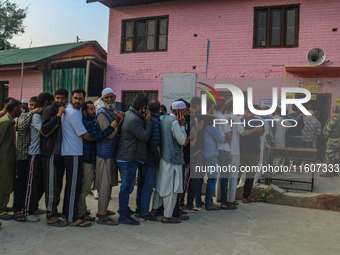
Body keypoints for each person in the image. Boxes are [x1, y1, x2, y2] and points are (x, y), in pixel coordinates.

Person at [116, 93, 152, 225]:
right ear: (143, 107)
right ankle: (123, 215)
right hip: (128, 158)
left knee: (127, 187)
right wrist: (148, 122)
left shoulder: (130, 115)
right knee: (127, 188)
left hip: (127, 157)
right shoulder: (134, 119)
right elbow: (144, 136)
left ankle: (124, 209)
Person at [79, 100, 117, 222]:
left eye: (93, 108)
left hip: (92, 158)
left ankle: (85, 211)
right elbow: (100, 136)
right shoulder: (88, 123)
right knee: (85, 188)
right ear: (84, 112)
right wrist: (112, 126)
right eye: (91, 109)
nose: (94, 111)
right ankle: (81, 213)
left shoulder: (92, 121)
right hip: (87, 159)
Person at [61, 88, 94, 227]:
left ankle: (66, 213)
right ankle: (72, 219)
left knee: (71, 186)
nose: (77, 101)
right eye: (75, 98)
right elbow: (85, 135)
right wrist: (100, 138)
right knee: (74, 187)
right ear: (71, 98)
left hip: (73, 153)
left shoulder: (75, 110)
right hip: (72, 153)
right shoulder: (72, 113)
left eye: (80, 99)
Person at [152, 100, 187, 223]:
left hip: (164, 159)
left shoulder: (164, 119)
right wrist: (182, 126)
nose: (185, 114)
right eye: (184, 111)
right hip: (172, 161)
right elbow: (182, 141)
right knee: (171, 190)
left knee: (161, 187)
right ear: (178, 111)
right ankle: (167, 216)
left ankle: (154, 210)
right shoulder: (175, 122)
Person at [95, 88, 123, 225]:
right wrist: (117, 123)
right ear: (102, 99)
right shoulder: (101, 114)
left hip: (110, 153)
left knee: (109, 185)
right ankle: (101, 215)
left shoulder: (110, 112)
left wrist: (118, 121)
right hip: (104, 154)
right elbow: (111, 134)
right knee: (104, 185)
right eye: (106, 97)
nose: (110, 99)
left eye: (112, 96)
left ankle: (104, 209)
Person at [24, 93, 54, 222]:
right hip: (34, 154)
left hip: (41, 154)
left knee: (40, 184)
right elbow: (44, 131)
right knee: (32, 184)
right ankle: (27, 211)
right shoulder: (36, 116)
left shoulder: (40, 115)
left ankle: (34, 207)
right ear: (47, 103)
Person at [41, 88, 68, 227]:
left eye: (62, 98)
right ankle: (51, 216)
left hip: (60, 154)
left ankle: (54, 211)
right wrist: (58, 115)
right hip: (50, 153)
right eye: (57, 98)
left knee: (58, 185)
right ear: (54, 98)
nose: (59, 100)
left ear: (66, 99)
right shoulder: (50, 110)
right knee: (51, 186)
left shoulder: (66, 111)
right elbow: (44, 130)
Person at [195, 99, 225, 210]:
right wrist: (226, 137)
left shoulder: (199, 118)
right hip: (211, 153)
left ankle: (198, 201)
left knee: (200, 178)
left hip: (201, 152)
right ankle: (208, 203)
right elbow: (219, 138)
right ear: (210, 107)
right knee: (212, 178)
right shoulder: (210, 121)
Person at [12, 96, 38, 222]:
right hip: (22, 155)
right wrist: (32, 112)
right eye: (31, 105)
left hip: (30, 154)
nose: (32, 107)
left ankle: (25, 206)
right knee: (21, 183)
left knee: (29, 184)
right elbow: (20, 126)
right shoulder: (25, 115)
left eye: (34, 105)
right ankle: (17, 209)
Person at [136, 100, 161, 222]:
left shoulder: (145, 119)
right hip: (150, 160)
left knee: (141, 185)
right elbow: (155, 143)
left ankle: (139, 208)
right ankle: (144, 212)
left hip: (142, 157)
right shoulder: (155, 122)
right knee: (147, 187)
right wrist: (159, 158)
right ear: (159, 109)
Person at [0, 99, 22, 220]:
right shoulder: (5, 122)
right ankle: (1, 210)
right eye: (19, 108)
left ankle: (2, 206)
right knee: (4, 184)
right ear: (14, 109)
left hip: (8, 158)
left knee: (7, 184)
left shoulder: (10, 121)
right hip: (3, 160)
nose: (21, 110)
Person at [239, 105, 264, 203]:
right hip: (254, 151)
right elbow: (261, 133)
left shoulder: (241, 120)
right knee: (250, 175)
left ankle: (230, 195)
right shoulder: (259, 121)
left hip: (242, 151)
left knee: (237, 173)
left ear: (246, 111)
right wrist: (255, 131)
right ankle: (245, 197)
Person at [320, 106, 340, 178]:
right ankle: (335, 171)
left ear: (333, 111)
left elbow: (329, 129)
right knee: (337, 155)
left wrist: (326, 135)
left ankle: (329, 172)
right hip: (338, 140)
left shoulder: (334, 119)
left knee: (329, 155)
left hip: (332, 140)